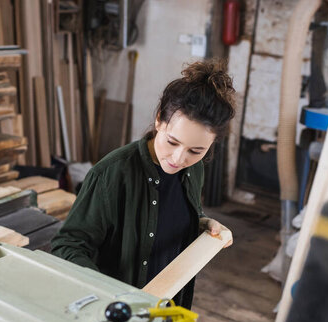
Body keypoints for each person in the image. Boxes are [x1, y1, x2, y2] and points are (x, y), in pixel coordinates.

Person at [51, 59, 235, 309]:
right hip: (117, 312)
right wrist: (105, 295)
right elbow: (68, 245)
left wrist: (202, 223)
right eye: (172, 142)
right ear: (159, 120)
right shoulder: (112, 174)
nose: (179, 159)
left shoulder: (194, 169)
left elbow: (169, 216)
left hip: (166, 304)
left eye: (196, 150)